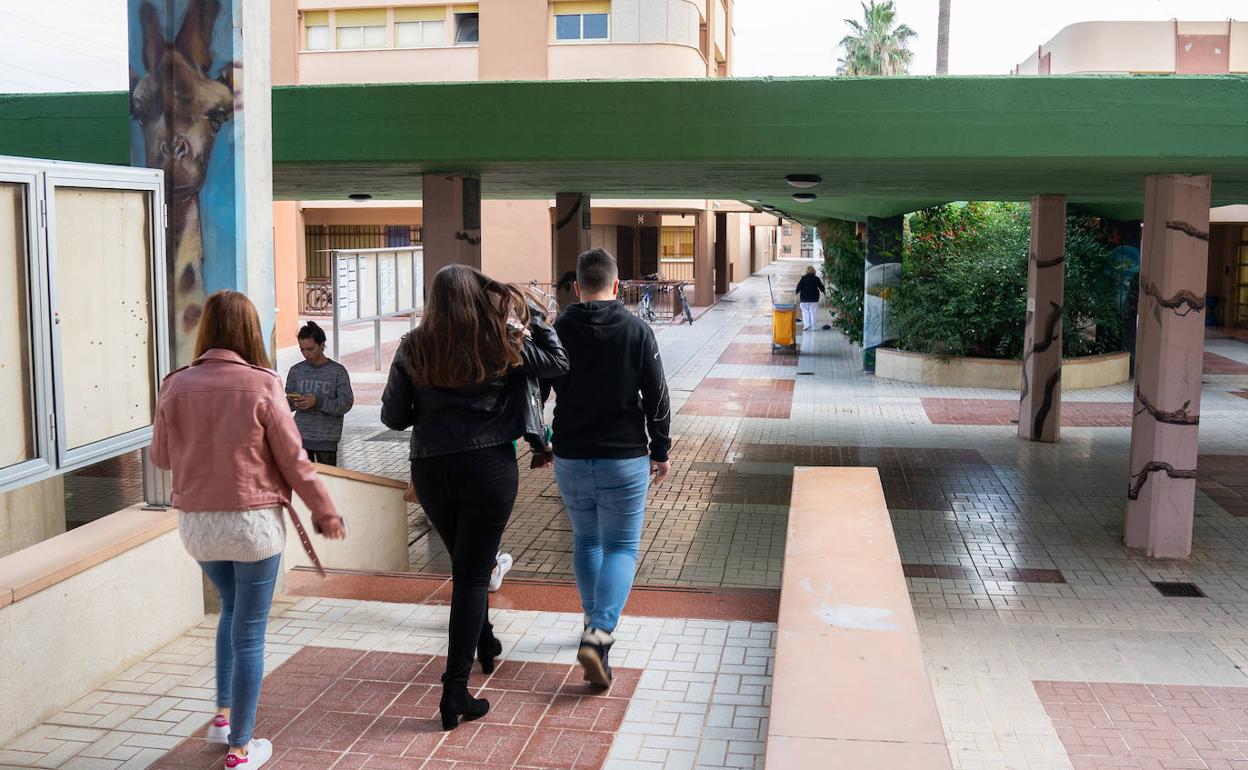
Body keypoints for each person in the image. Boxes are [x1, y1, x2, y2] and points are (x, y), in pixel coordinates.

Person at [152, 290, 347, 770]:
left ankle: (221, 716)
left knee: (231, 609)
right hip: (252, 524)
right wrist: (325, 512)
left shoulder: (174, 384)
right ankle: (241, 748)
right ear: (248, 331)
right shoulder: (263, 384)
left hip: (197, 525)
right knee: (251, 630)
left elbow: (160, 458)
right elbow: (295, 460)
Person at [380, 265, 568, 730]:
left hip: (432, 469)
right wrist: (528, 319)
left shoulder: (413, 345)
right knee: (470, 575)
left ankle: (484, 641)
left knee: (467, 565)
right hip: (488, 466)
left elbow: (392, 417)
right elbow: (558, 362)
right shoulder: (500, 341)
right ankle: (455, 691)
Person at [537, 248, 671, 688]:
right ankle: (599, 634)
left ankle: (591, 623)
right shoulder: (637, 330)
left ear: (576, 287)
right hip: (624, 457)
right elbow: (657, 396)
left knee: (587, 540)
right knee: (622, 548)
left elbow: (535, 393)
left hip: (571, 456)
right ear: (617, 286)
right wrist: (661, 449)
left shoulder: (557, 329)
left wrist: (541, 441)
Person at [286, 321, 354, 466]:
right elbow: (287, 404)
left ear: (322, 344)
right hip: (300, 437)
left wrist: (318, 402)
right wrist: (294, 402)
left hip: (327, 439)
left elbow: (346, 404)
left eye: (310, 349)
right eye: (302, 349)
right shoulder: (296, 371)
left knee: (327, 484)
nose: (306, 354)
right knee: (302, 484)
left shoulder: (337, 372)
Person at [795, 265, 826, 331]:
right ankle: (813, 326)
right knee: (813, 311)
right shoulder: (816, 278)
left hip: (804, 298)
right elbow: (821, 287)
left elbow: (799, 286)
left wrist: (796, 291)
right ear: (813, 271)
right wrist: (823, 291)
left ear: (806, 271)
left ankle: (806, 325)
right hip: (814, 298)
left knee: (805, 311)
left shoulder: (803, 278)